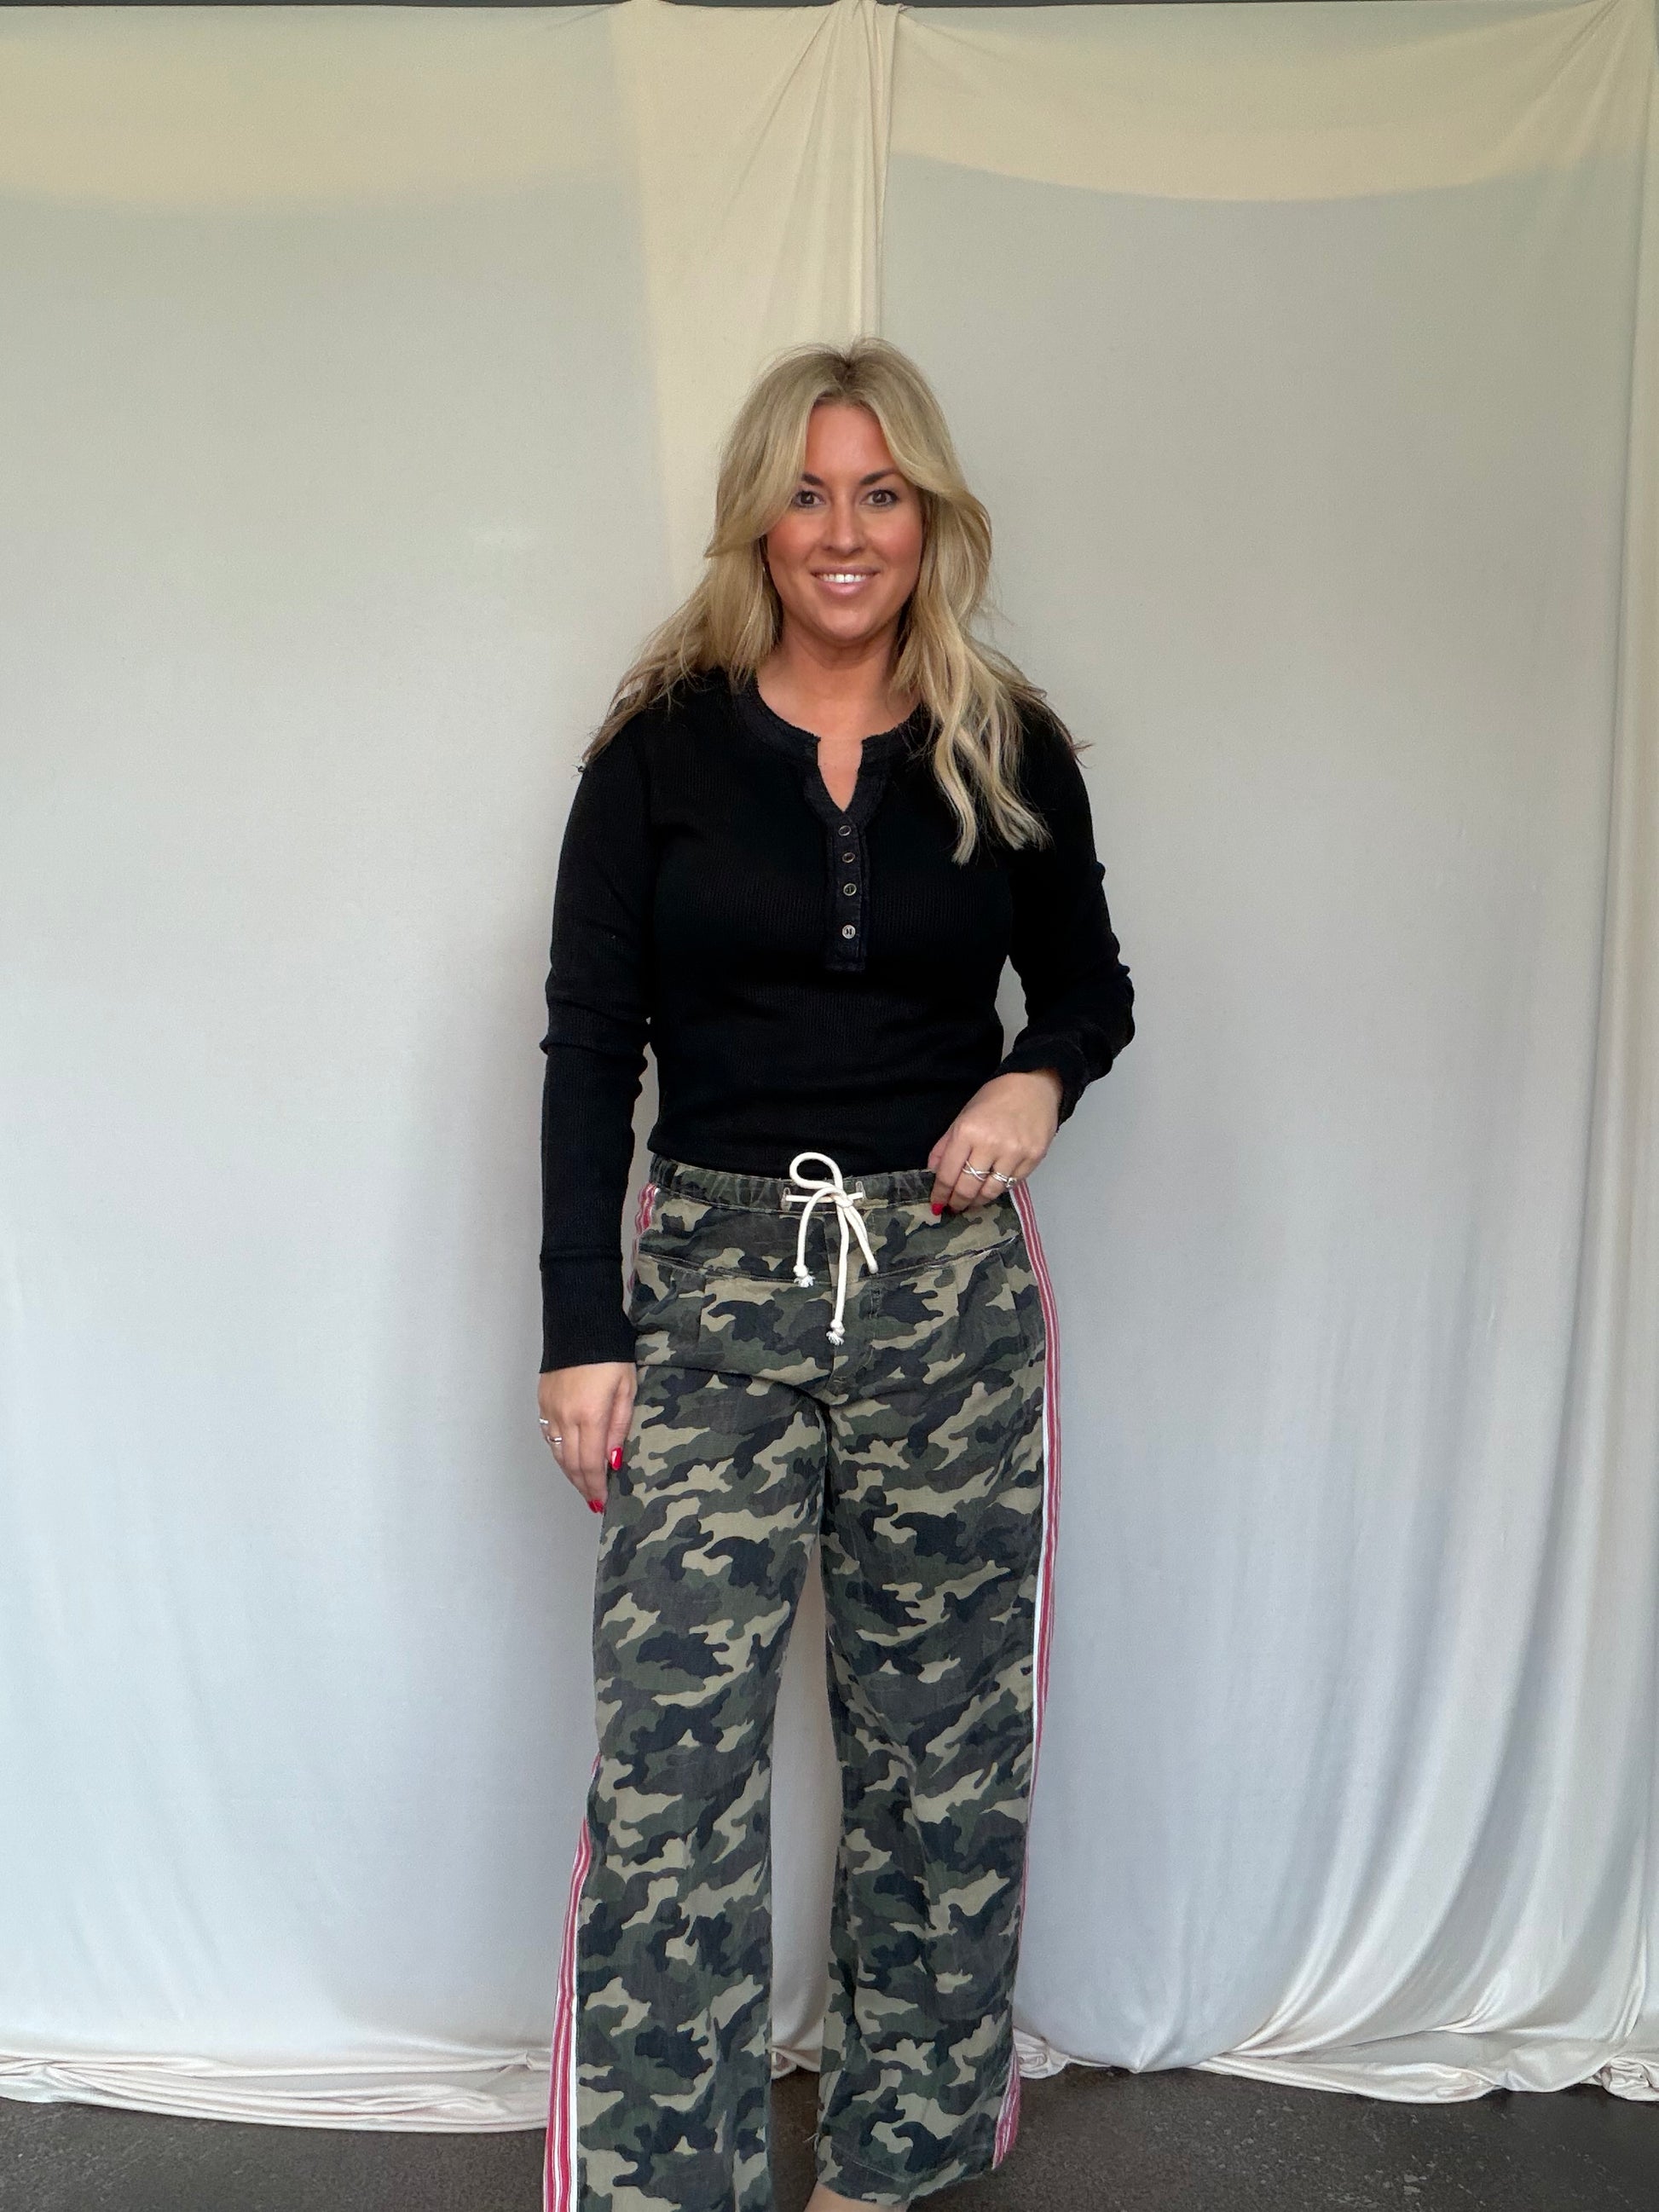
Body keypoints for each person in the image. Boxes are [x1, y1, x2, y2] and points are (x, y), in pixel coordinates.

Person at [535, 337, 1134, 2212]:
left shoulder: (1004, 739)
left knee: (942, 1750)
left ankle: (896, 2157)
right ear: (757, 520)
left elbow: (1091, 985)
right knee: (673, 1762)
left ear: (929, 517)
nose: (844, 530)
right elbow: (588, 1044)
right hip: (711, 1284)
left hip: (943, 1293)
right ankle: (665, 2182)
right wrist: (580, 1328)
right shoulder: (659, 749)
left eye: (880, 492)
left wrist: (1035, 1078)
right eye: (806, 492)